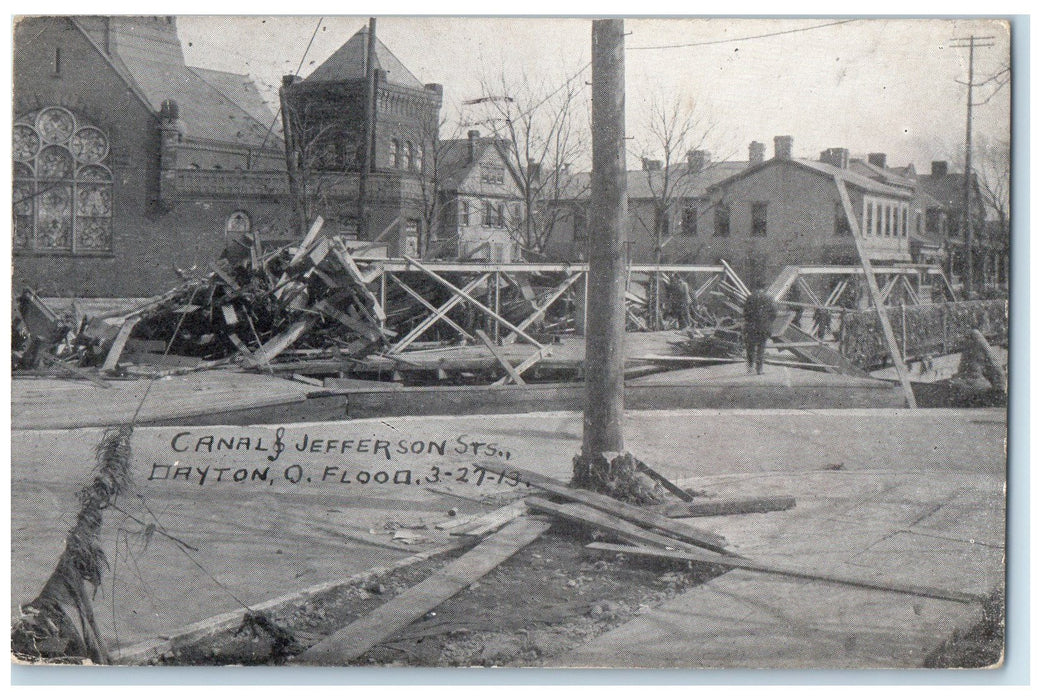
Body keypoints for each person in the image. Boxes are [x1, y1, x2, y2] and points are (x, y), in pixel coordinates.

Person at [742, 283, 777, 374]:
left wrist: (749, 321)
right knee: (761, 347)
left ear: (755, 288)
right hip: (764, 327)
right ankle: (759, 369)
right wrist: (768, 322)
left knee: (750, 347)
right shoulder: (769, 298)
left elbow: (745, 313)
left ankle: (750, 367)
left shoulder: (750, 298)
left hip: (751, 326)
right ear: (764, 288)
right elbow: (774, 313)